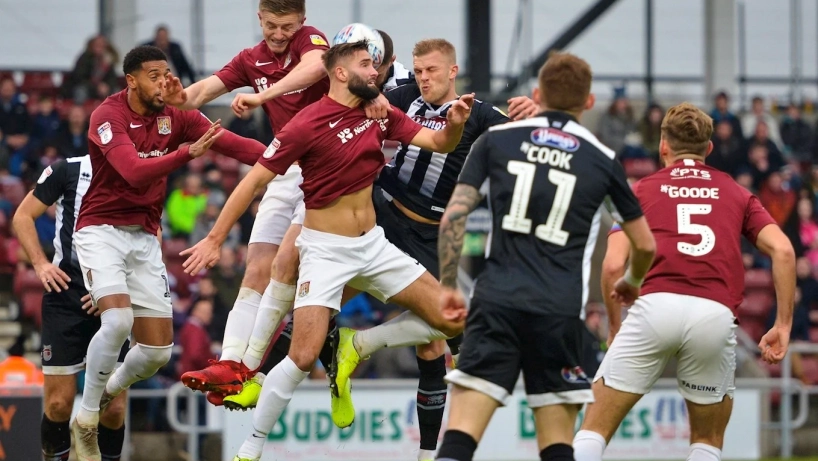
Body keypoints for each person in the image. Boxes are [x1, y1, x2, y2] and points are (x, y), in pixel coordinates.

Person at [188, 40, 467, 461]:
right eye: (365, 66)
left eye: (375, 67)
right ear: (339, 73)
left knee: (452, 318)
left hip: (374, 247)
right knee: (301, 358)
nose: (376, 74)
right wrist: (214, 238)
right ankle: (252, 444)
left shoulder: (379, 112)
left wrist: (458, 124)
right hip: (324, 252)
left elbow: (441, 143)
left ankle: (356, 345)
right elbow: (252, 183)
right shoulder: (306, 124)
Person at [433, 52, 656, 461]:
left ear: (537, 94)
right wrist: (633, 282)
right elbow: (644, 245)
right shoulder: (603, 160)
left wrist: (448, 286)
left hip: (495, 302)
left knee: (459, 440)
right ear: (589, 103)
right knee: (556, 447)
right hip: (558, 313)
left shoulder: (496, 140)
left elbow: (454, 218)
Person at [68, 45, 265, 461]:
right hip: (99, 230)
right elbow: (133, 170)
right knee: (119, 321)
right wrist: (184, 154)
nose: (164, 82)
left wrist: (289, 156)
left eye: (166, 74)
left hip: (144, 236)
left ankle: (110, 390)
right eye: (154, 75)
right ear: (132, 80)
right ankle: (85, 419)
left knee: (156, 352)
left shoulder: (174, 114)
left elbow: (232, 144)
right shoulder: (108, 116)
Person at [573, 103, 796, 461]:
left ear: (663, 145)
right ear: (708, 149)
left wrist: (616, 326)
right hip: (714, 314)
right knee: (706, 441)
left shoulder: (640, 191)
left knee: (592, 432)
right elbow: (784, 252)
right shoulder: (737, 192)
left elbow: (613, 266)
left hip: (653, 308)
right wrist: (783, 324)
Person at [161, 0, 339, 398]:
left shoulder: (310, 43)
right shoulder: (249, 59)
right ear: (259, 18)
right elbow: (202, 92)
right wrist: (179, 97)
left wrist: (263, 96)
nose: (279, 34)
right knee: (255, 267)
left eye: (287, 27)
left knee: (284, 260)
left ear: (303, 22)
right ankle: (230, 364)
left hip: (327, 169)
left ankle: (253, 368)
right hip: (285, 168)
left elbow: (316, 65)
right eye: (272, 25)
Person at [12, 155, 129, 461]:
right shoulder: (68, 169)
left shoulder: (140, 169)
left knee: (113, 408)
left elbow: (150, 236)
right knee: (58, 405)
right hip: (66, 294)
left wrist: (115, 287)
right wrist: (40, 264)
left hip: (114, 294)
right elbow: (22, 216)